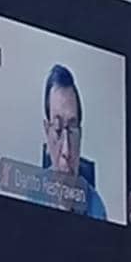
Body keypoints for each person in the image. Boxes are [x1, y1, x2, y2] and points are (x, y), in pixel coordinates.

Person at [43, 64, 107, 220]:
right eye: (57, 129)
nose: (66, 151)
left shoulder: (97, 207)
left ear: (81, 135)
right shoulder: (30, 195)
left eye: (72, 130)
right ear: (47, 132)